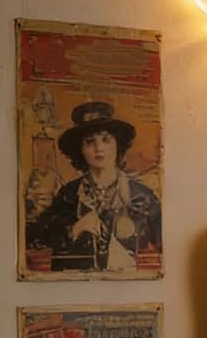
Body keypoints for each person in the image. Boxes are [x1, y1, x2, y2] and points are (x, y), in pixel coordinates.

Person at [27, 101, 161, 272]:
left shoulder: (142, 196)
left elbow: (165, 244)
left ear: (117, 145)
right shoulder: (68, 195)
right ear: (80, 150)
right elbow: (35, 236)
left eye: (106, 140)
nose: (99, 148)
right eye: (89, 142)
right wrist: (74, 229)